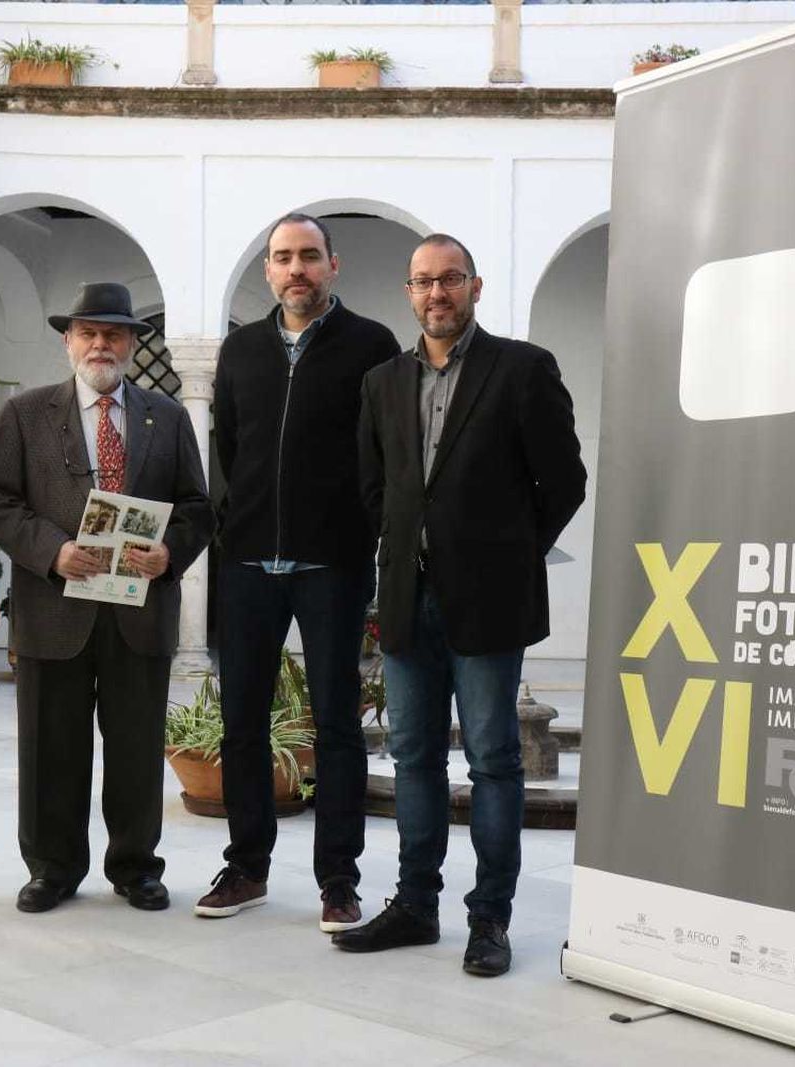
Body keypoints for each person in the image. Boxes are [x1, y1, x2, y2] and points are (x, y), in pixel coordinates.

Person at [335, 234, 587, 976]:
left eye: (450, 279)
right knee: (412, 754)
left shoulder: (522, 369)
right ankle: (416, 904)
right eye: (422, 282)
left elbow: (564, 481)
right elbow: (374, 486)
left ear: (475, 287)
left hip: (489, 601)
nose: (436, 293)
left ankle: (490, 920)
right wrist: (403, 542)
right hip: (410, 600)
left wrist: (510, 552)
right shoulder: (383, 381)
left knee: (494, 759)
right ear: (409, 293)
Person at [0, 282, 213, 914]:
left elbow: (196, 506)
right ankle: (51, 869)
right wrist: (50, 551)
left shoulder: (166, 418)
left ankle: (136, 866)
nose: (100, 344)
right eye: (88, 332)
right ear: (68, 341)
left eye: (113, 333)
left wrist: (170, 555)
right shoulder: (25, 414)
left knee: (136, 749)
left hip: (139, 613)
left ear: (133, 344)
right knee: (50, 748)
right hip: (54, 610)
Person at [197, 213, 400, 932]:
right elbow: (229, 446)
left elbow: (384, 451)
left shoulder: (373, 345)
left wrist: (359, 528)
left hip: (332, 563)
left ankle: (338, 879)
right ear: (267, 271)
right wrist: (239, 522)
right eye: (283, 258)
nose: (296, 270)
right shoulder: (242, 349)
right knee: (243, 722)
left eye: (309, 257)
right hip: (249, 561)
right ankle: (248, 865)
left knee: (339, 725)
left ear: (332, 266)